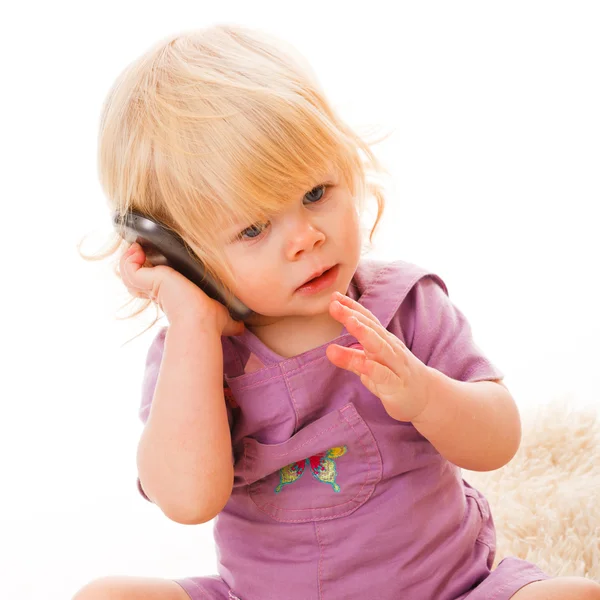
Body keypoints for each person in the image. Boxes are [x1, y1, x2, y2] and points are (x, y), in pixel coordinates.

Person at [74, 23, 600, 600]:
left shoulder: (403, 304)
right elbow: (187, 499)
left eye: (315, 193)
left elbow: (499, 440)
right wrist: (193, 319)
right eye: (253, 228)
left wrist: (426, 396)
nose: (305, 237)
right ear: (178, 255)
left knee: (573, 595)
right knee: (106, 595)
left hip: (448, 591)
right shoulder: (193, 357)